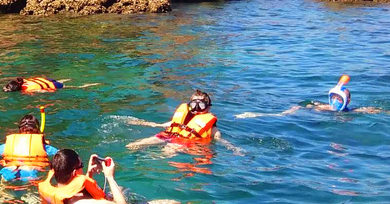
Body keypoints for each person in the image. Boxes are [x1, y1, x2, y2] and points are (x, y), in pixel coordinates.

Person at [235, 75, 384, 118]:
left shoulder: (351, 111)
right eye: (333, 97)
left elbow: (370, 110)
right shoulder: (325, 107)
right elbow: (307, 106)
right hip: (310, 116)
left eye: (339, 98)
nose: (335, 101)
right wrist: (299, 108)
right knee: (282, 115)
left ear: (347, 101)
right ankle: (256, 115)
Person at [126, 90, 220, 150]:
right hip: (168, 135)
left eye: (201, 105)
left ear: (208, 108)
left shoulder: (212, 128)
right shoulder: (182, 119)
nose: (196, 108)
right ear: (189, 105)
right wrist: (146, 123)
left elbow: (219, 139)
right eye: (194, 105)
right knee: (133, 145)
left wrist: (232, 148)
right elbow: (162, 125)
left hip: (183, 142)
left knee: (165, 153)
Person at [38, 149, 126, 204]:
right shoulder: (81, 202)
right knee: (123, 191)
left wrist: (89, 176)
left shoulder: (51, 191)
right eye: (81, 165)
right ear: (75, 173)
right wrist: (110, 177)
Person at [0, 114, 58, 182]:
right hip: (30, 173)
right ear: (37, 130)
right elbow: (60, 154)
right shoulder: (45, 147)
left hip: (9, 172)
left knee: (4, 188)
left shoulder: (10, 145)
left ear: (20, 130)